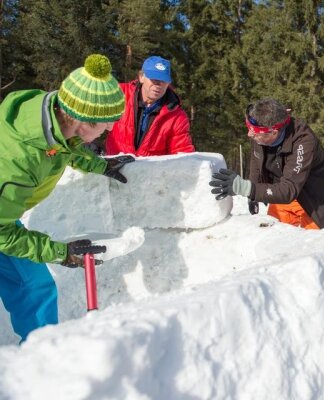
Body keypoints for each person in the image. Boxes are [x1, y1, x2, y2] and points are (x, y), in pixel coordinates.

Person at [0, 54, 135, 342]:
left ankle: (41, 354)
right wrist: (60, 253)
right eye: (108, 122)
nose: (111, 128)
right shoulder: (17, 162)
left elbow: (65, 146)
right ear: (83, 122)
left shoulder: (51, 116)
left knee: (35, 285)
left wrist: (100, 165)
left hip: (3, 215)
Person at [209, 98, 324, 230]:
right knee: (275, 240)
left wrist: (247, 188)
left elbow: (288, 190)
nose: (249, 134)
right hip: (281, 198)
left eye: (253, 131)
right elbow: (256, 161)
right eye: (248, 127)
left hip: (312, 202)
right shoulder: (259, 134)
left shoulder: (303, 141)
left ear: (273, 132)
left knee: (313, 247)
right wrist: (253, 193)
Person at [105, 55, 195, 156]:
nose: (158, 85)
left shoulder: (177, 117)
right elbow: (89, 114)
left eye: (163, 80)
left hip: (150, 170)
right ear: (141, 77)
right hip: (113, 167)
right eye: (154, 79)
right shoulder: (118, 94)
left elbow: (182, 152)